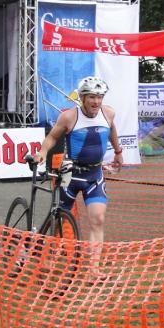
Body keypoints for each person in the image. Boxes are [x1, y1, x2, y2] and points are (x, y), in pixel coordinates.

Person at [33, 76, 123, 276]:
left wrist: (118, 151)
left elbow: (112, 130)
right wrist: (42, 152)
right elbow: (52, 137)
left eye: (99, 97)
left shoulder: (108, 113)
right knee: (59, 218)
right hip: (71, 175)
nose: (96, 101)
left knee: (98, 219)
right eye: (91, 97)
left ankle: (93, 269)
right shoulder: (69, 117)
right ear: (82, 97)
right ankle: (48, 256)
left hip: (94, 175)